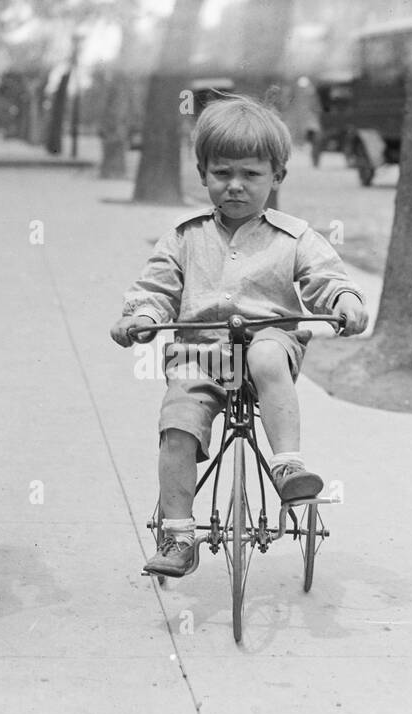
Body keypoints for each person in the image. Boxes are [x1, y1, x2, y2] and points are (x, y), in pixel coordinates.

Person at [110, 95, 370, 578]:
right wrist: (140, 316)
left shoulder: (294, 237)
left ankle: (288, 465)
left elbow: (325, 278)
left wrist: (343, 302)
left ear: (277, 177)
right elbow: (155, 288)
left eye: (251, 175)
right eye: (222, 173)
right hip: (204, 354)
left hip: (268, 342)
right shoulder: (184, 237)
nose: (235, 186)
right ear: (202, 172)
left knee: (269, 354)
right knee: (177, 421)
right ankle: (179, 534)